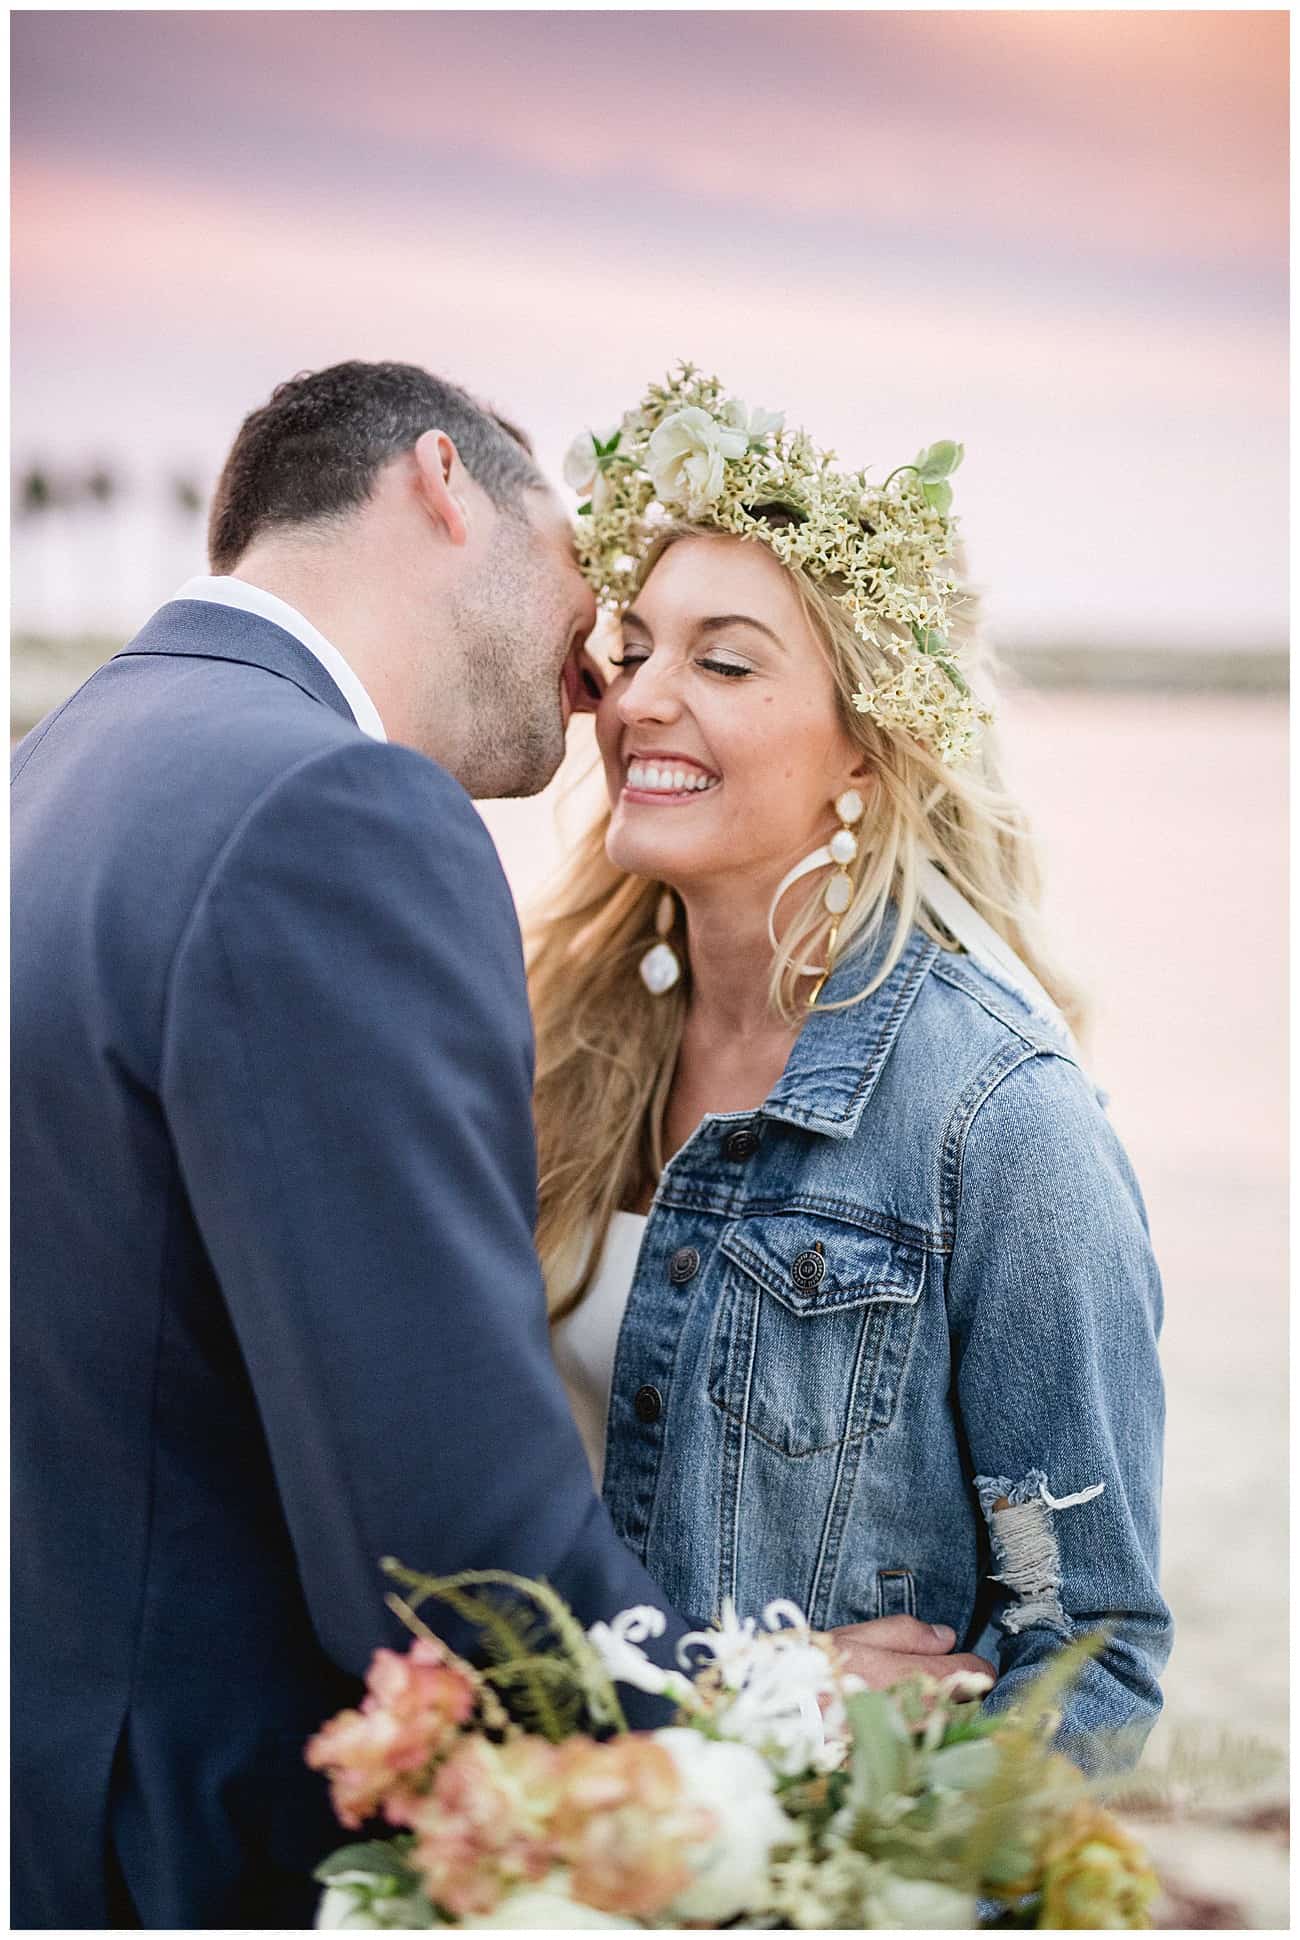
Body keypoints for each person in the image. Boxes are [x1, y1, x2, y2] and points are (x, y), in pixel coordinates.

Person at [11, 360, 990, 1930]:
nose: (602, 681)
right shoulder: (334, 811)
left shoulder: (61, 767)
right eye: (593, 594)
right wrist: (758, 1710)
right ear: (443, 483)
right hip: (217, 1849)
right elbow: (433, 1518)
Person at [534, 366, 1174, 1765]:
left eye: (726, 659)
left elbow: (1089, 1660)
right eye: (633, 646)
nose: (641, 696)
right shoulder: (555, 1044)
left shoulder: (999, 1120)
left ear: (865, 760)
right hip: (568, 1846)